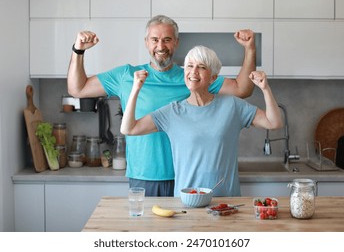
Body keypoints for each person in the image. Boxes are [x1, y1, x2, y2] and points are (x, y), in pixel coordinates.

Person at [67, 15, 256, 196]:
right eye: (155, 39)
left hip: (188, 179)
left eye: (167, 40)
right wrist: (78, 50)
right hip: (145, 177)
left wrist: (250, 49)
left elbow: (242, 89)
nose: (160, 46)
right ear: (146, 42)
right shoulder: (127, 76)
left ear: (176, 43)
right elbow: (78, 89)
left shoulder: (192, 76)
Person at [120, 45, 283, 197]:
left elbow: (274, 122)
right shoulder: (172, 112)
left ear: (213, 77)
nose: (193, 71)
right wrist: (135, 89)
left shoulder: (232, 106)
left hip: (226, 203)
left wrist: (265, 89)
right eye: (190, 66)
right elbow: (129, 129)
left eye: (202, 67)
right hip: (187, 202)